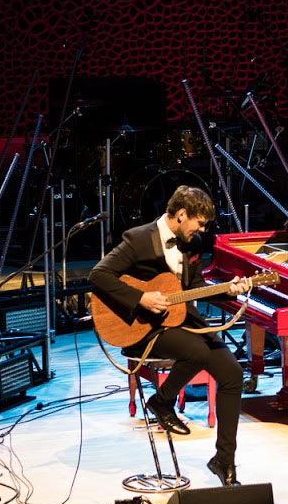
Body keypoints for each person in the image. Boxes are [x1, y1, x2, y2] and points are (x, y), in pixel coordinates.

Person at [88, 185, 251, 486]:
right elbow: (98, 275)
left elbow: (195, 287)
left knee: (232, 373)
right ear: (181, 214)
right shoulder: (138, 239)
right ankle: (163, 402)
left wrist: (228, 290)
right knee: (198, 352)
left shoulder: (193, 243)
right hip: (143, 326)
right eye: (199, 223)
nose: (202, 229)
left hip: (181, 320)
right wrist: (140, 298)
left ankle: (224, 460)